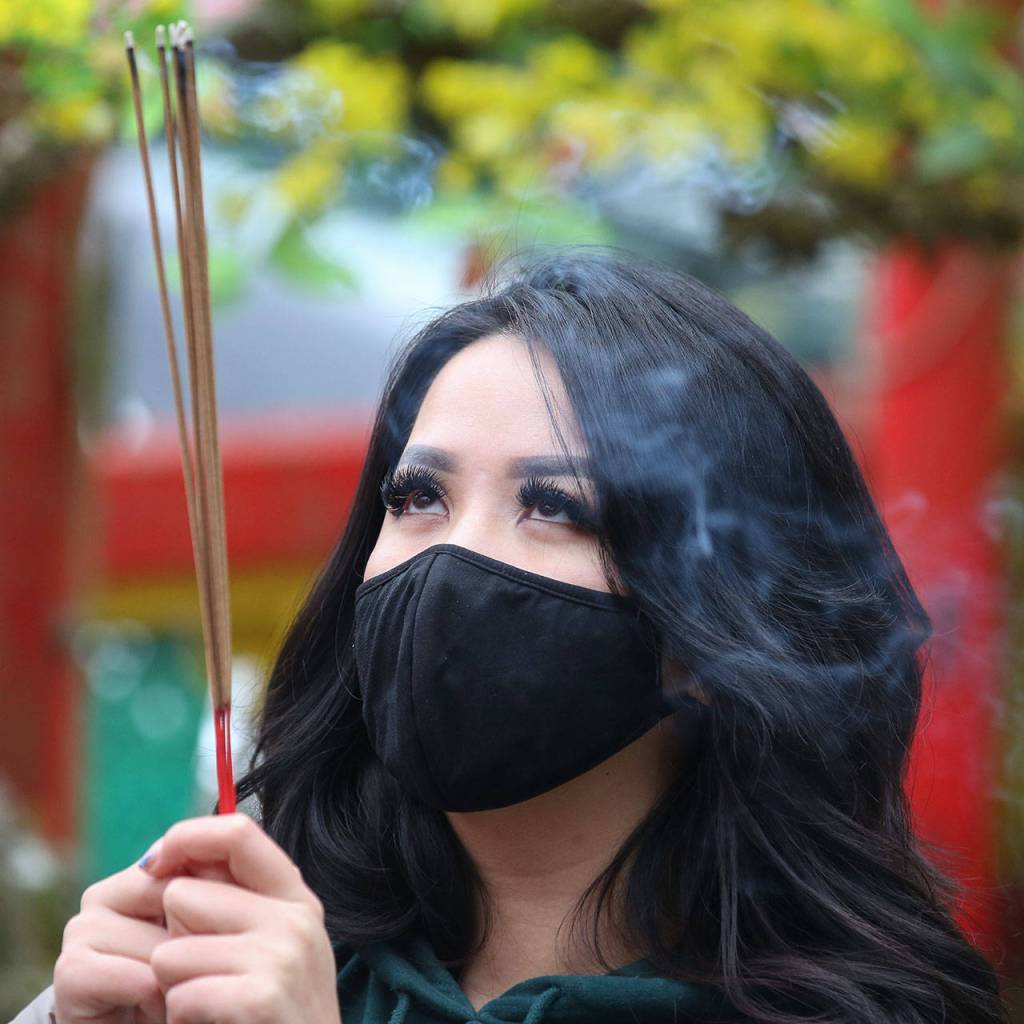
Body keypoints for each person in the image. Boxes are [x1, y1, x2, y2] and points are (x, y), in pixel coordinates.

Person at [14, 249, 1010, 1024]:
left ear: (714, 631)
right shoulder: (234, 959)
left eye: (552, 507)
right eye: (417, 497)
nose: (453, 558)